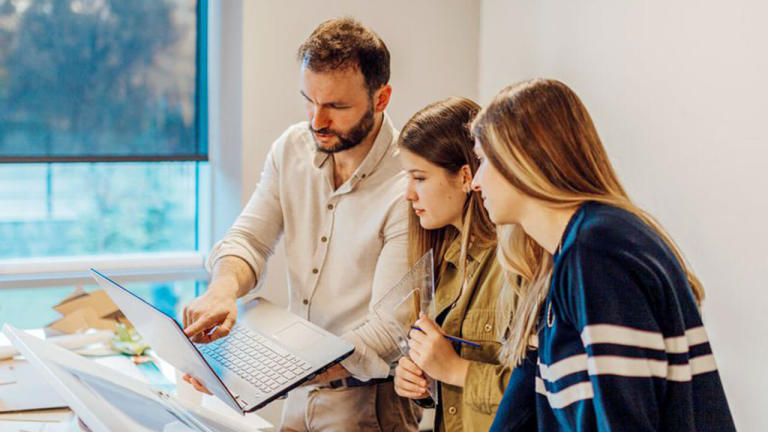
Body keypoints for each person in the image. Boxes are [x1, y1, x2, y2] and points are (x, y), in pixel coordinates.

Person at [182, 18, 421, 431]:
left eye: (336, 107)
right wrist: (222, 292)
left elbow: (388, 328)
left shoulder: (410, 182)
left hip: (368, 404)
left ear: (381, 98)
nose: (317, 120)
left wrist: (264, 372)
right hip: (298, 393)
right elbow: (249, 239)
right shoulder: (291, 147)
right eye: (308, 101)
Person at [469, 78, 736, 431]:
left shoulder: (597, 251)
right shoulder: (565, 258)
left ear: (521, 160)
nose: (476, 181)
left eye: (483, 161)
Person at [393, 97, 536, 431]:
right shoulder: (447, 263)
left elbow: (540, 395)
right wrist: (420, 378)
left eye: (420, 178)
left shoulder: (517, 264)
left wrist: (454, 369)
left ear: (464, 177)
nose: (409, 194)